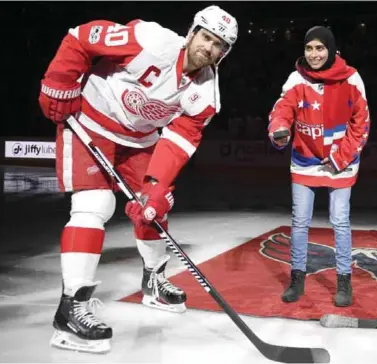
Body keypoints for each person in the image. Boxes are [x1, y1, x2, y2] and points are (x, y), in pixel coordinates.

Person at [38, 5, 238, 353]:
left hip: (140, 139)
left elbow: (178, 142)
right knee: (94, 205)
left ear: (224, 54)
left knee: (154, 210)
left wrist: (156, 188)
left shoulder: (206, 96)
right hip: (91, 121)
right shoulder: (152, 40)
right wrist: (60, 81)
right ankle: (71, 308)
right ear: (192, 32)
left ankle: (154, 281)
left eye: (218, 45)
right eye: (206, 37)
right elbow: (82, 37)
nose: (208, 47)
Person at [267, 26, 370, 307]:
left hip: (341, 162)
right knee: (299, 222)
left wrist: (340, 157)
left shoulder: (351, 78)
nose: (314, 54)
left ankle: (344, 281)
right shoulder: (295, 79)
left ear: (331, 50)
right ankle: (297, 278)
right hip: (305, 160)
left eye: (320, 48)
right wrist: (279, 130)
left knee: (340, 221)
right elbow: (282, 109)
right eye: (309, 48)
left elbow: (361, 124)